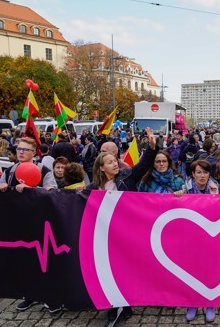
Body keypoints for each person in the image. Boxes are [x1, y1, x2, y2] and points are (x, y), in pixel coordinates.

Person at [87, 128, 157, 322]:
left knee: (126, 268)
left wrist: (151, 147)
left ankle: (124, 305)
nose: (115, 164)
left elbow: (144, 164)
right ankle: (115, 304)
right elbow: (73, 198)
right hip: (105, 235)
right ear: (101, 168)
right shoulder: (93, 188)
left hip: (128, 232)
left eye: (115, 161)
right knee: (111, 269)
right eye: (110, 162)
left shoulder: (127, 177)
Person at [0, 137, 58, 313]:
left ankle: (51, 297)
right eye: (19, 149)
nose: (21, 152)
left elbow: (52, 193)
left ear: (33, 152)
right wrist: (1, 187)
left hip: (40, 223)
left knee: (44, 261)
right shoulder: (10, 170)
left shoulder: (44, 170)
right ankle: (30, 295)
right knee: (25, 261)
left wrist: (31, 189)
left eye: (25, 149)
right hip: (18, 222)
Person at [183, 159, 220, 322]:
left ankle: (209, 302)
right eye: (198, 172)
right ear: (193, 174)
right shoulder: (186, 189)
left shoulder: (216, 187)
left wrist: (217, 198)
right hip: (191, 238)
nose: (202, 176)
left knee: (210, 270)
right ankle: (194, 302)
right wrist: (177, 197)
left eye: (205, 172)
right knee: (192, 270)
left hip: (211, 238)